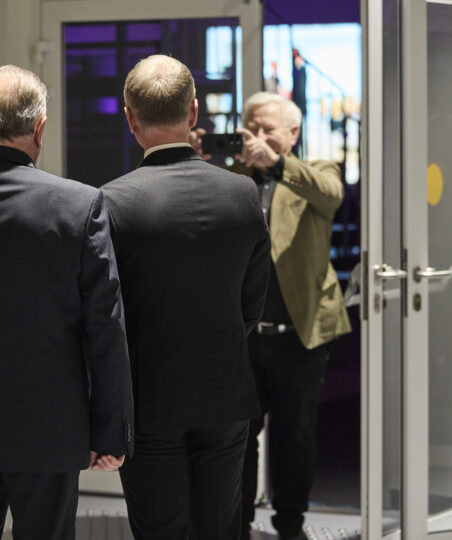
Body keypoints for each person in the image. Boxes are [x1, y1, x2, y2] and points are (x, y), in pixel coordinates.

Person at [0, 65, 134, 540]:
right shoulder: (80, 206)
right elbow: (104, 329)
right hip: (50, 426)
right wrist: (109, 431)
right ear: (40, 129)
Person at [101, 55, 270, 540]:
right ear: (194, 111)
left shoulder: (111, 201)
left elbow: (105, 314)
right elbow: (251, 303)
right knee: (220, 528)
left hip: (148, 399)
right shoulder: (242, 194)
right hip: (225, 393)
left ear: (131, 118)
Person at [191, 92, 351, 540]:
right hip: (243, 336)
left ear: (293, 133)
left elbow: (331, 196)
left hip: (300, 333)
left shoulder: (316, 171)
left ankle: (290, 525)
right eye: (252, 129)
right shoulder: (231, 178)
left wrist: (276, 164)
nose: (259, 137)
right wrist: (197, 161)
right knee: (238, 437)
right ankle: (237, 525)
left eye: (269, 129)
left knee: (295, 436)